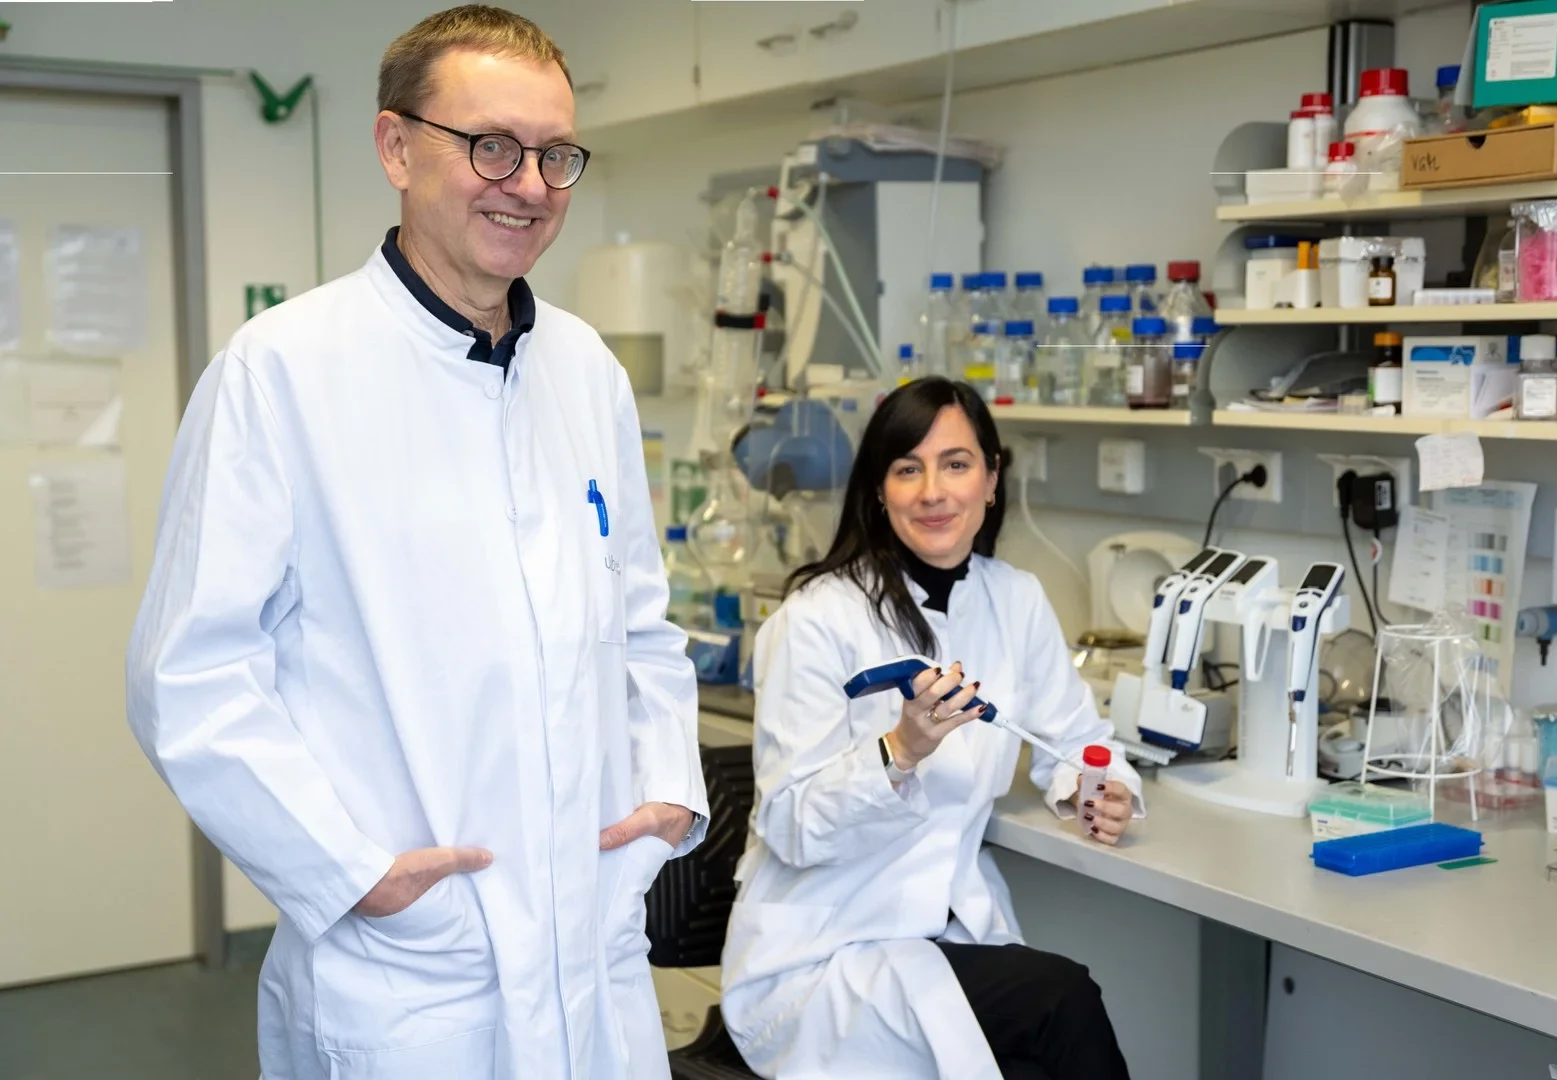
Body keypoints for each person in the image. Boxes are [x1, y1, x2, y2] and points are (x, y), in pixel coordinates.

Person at [125, 7, 706, 1078]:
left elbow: (638, 621)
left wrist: (668, 788)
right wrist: (351, 872)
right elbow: (191, 676)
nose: (529, 183)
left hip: (587, 948)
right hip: (412, 968)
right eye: (490, 145)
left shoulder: (587, 372)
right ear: (397, 146)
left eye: (555, 155)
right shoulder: (284, 371)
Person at [720, 377, 1141, 1080]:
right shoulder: (817, 618)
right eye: (906, 469)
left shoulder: (1015, 599)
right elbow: (791, 825)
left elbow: (1073, 737)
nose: (932, 491)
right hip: (827, 952)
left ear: (992, 479)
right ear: (879, 491)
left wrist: (1100, 788)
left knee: (1045, 1034)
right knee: (1061, 1001)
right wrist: (899, 751)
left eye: (955, 464)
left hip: (947, 929)